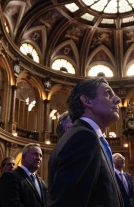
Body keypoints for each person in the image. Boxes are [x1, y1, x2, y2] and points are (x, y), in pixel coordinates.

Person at [48, 77, 124, 207]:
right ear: (87, 101)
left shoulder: (87, 136)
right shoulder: (83, 138)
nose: (118, 100)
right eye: (107, 93)